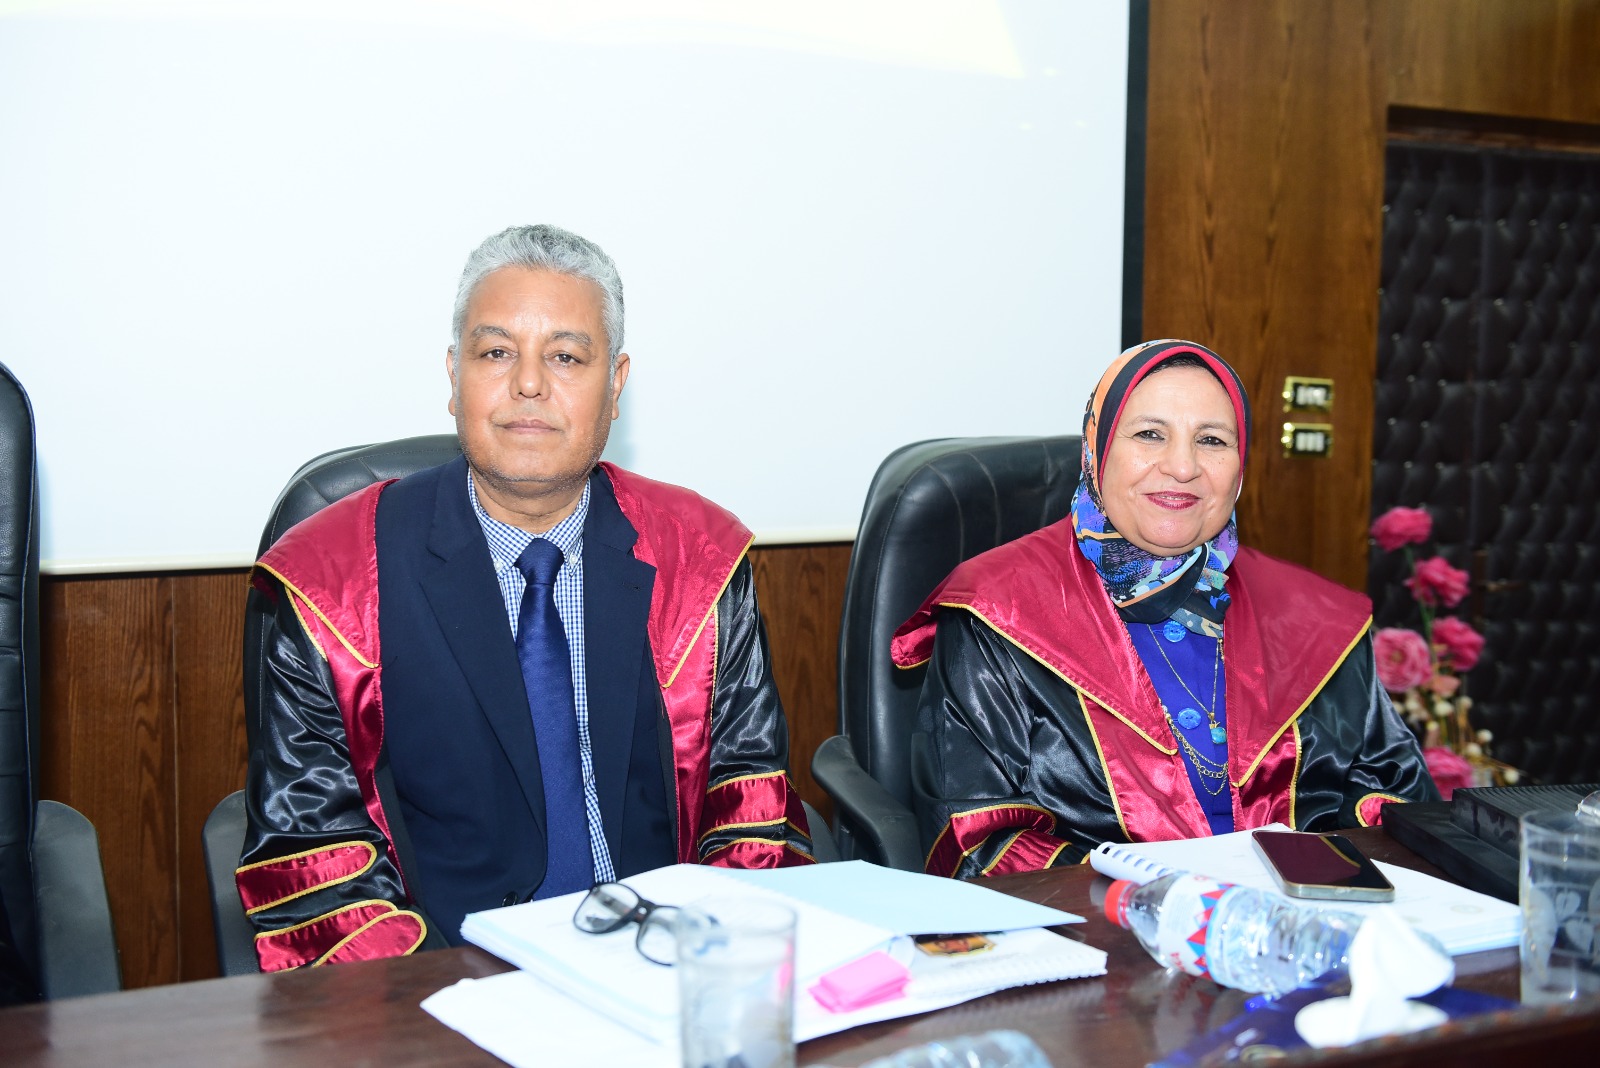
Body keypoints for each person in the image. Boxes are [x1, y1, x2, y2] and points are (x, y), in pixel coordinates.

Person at [239, 225, 812, 970]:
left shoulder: (698, 558)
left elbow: (751, 813)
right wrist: (442, 1000)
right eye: (496, 353)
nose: (530, 384)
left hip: (662, 967)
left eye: (566, 356)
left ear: (616, 384)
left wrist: (706, 971)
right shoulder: (333, 579)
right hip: (444, 980)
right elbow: (313, 857)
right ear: (454, 375)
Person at [894, 340, 1438, 879]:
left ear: (1241, 467)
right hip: (1104, 921)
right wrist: (1161, 900)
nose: (1182, 467)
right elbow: (977, 842)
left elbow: (1397, 800)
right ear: (1095, 450)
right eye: (1150, 434)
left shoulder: (1317, 620)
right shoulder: (997, 609)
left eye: (1212, 440)